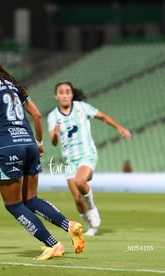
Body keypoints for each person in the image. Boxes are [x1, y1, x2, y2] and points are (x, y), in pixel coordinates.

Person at [0, 45, 85, 260]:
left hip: (7, 148)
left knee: (14, 204)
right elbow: (37, 116)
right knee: (30, 199)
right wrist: (39, 143)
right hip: (29, 144)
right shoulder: (12, 84)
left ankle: (53, 244)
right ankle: (69, 225)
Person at [47, 81, 132, 236]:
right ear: (56, 96)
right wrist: (55, 134)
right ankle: (90, 226)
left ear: (72, 95)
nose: (65, 95)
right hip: (69, 161)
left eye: (67, 92)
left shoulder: (81, 107)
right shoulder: (53, 116)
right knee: (77, 199)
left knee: (80, 182)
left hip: (86, 154)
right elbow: (53, 142)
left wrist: (119, 127)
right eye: (61, 92)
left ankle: (93, 209)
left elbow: (103, 117)